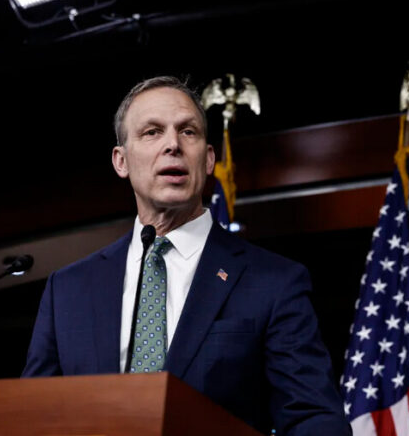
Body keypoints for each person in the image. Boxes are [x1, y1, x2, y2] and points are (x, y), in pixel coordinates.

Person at [23, 76, 351, 436]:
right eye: (152, 132)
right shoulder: (67, 289)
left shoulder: (273, 282)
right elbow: (34, 415)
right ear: (121, 161)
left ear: (208, 159)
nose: (173, 145)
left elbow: (314, 419)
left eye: (188, 132)